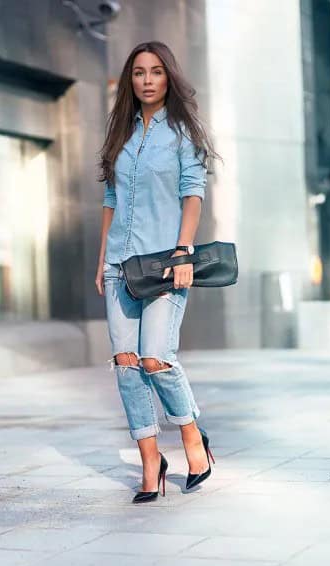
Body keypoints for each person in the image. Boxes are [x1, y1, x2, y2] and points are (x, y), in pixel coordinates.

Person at [95, 41, 220, 504]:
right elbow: (110, 200)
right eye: (139, 73)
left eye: (156, 72)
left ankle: (192, 439)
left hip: (167, 263)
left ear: (169, 78)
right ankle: (151, 462)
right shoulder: (120, 135)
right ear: (131, 80)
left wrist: (184, 252)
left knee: (155, 358)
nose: (147, 80)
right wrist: (101, 258)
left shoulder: (183, 134)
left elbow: (193, 194)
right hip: (118, 266)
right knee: (126, 366)